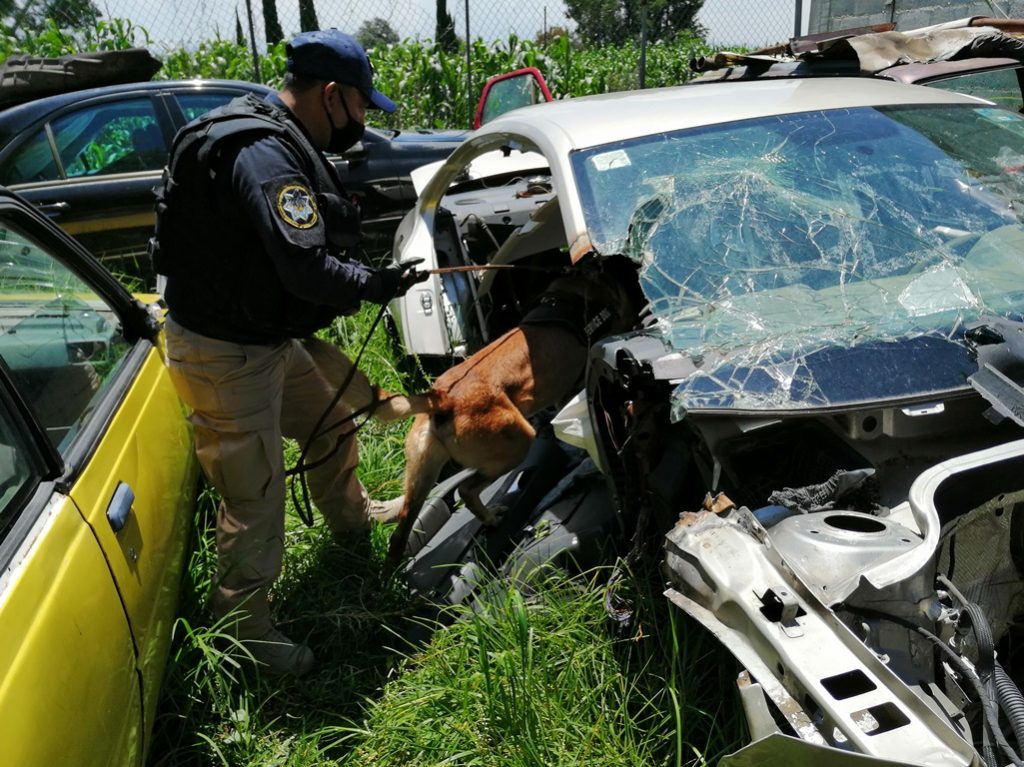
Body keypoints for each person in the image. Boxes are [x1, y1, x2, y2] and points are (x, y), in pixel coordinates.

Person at [149, 29, 427, 676]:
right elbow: (306, 270)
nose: (362, 121)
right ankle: (244, 634)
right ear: (332, 95)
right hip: (224, 354)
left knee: (330, 422)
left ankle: (352, 518)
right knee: (255, 495)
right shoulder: (264, 153)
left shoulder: (272, 129)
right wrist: (375, 284)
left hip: (262, 340)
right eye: (361, 106)